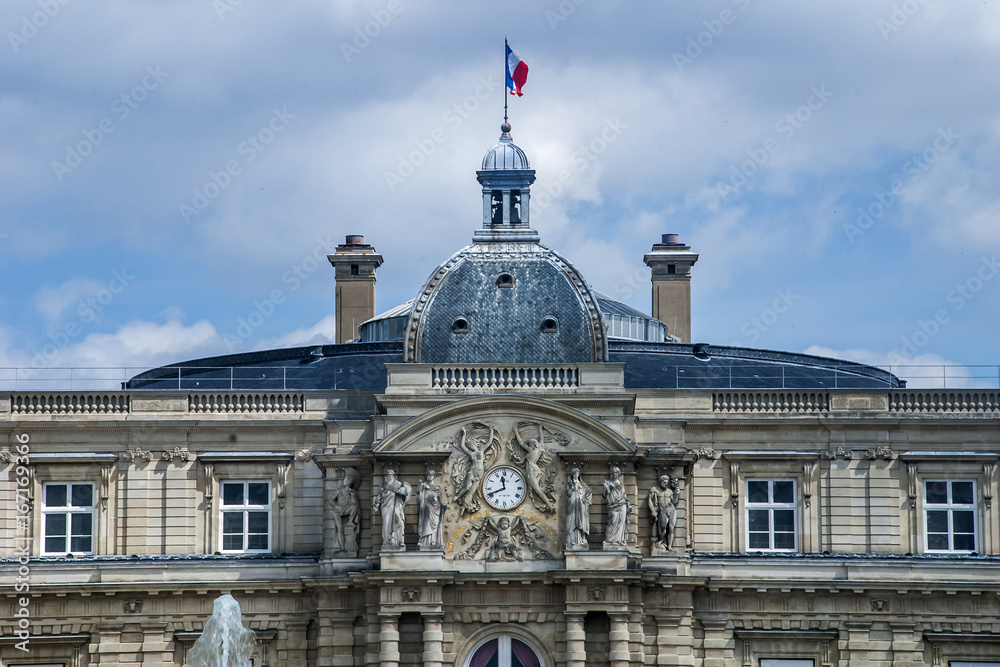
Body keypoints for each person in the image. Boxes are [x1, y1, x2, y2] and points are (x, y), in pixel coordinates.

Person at [373, 468, 411, 551]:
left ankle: (397, 541)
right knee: (386, 523)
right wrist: (376, 505)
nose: (390, 476)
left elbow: (405, 494)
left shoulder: (398, 484)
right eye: (388, 475)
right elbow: (380, 496)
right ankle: (387, 541)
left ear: (393, 475)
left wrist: (399, 491)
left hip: (396, 506)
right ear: (386, 475)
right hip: (386, 507)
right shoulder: (383, 485)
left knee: (398, 521)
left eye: (391, 474)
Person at [328, 467, 360, 554]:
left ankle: (350, 521)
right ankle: (342, 547)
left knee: (354, 507)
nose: (345, 481)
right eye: (345, 479)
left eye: (347, 479)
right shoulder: (339, 491)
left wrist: (352, 495)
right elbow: (330, 500)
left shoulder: (352, 491)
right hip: (338, 512)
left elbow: (355, 503)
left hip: (346, 509)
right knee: (340, 529)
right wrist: (336, 506)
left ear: (349, 482)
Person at [418, 469, 446, 550]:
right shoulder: (424, 485)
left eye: (431, 475)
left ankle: (433, 541)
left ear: (434, 476)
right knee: (426, 523)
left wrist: (443, 504)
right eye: (429, 475)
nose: (430, 477)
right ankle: (425, 541)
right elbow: (418, 492)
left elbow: (440, 498)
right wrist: (422, 486)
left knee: (435, 525)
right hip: (427, 507)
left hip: (435, 508)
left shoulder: (437, 487)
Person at [647, 475, 677, 551]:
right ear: (661, 482)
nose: (666, 484)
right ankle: (661, 541)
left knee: (671, 528)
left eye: (667, 482)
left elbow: (674, 501)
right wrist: (653, 510)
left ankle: (669, 546)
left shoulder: (670, 491)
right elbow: (650, 501)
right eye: (664, 482)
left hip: (671, 510)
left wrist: (677, 493)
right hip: (662, 510)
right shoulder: (655, 490)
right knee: (663, 528)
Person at [565, 468, 592, 549]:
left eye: (577, 474)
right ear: (572, 475)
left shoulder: (582, 484)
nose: (576, 475)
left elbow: (589, 491)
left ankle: (582, 539)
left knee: (581, 521)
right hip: (572, 504)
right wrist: (572, 489)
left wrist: (585, 499)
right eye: (575, 474)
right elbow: (568, 493)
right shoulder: (569, 484)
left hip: (580, 505)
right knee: (572, 521)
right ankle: (572, 540)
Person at [603, 466, 630, 547]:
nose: (615, 474)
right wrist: (608, 488)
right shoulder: (608, 482)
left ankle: (620, 540)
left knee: (621, 523)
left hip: (622, 504)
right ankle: (610, 540)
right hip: (613, 505)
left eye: (617, 473)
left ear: (618, 474)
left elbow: (624, 495)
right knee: (613, 521)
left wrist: (628, 503)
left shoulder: (620, 484)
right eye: (614, 472)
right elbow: (604, 494)